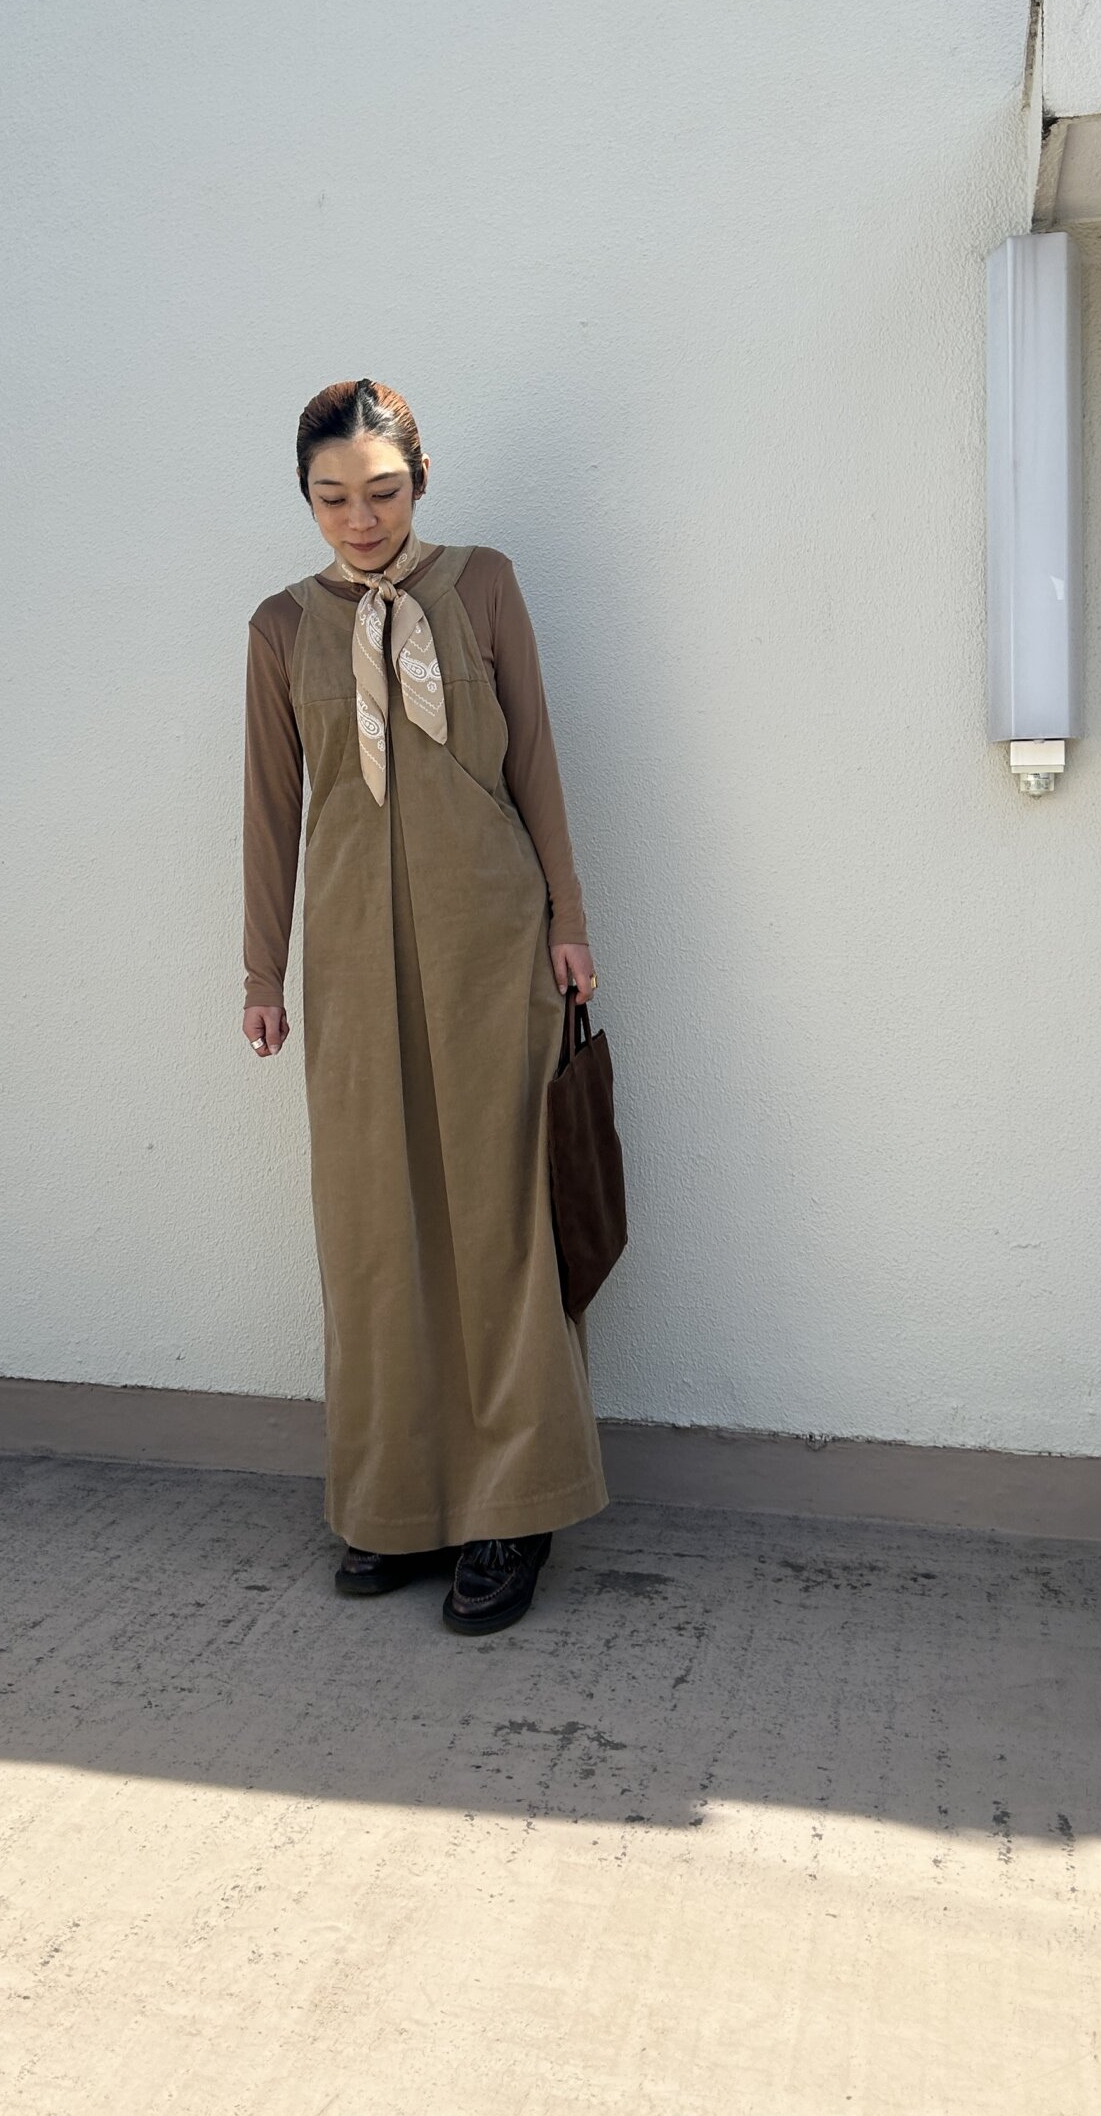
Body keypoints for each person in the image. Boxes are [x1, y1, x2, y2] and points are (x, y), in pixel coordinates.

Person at [242, 378, 608, 1635]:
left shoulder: (485, 586)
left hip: (490, 944)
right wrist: (262, 972)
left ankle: (516, 1504)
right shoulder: (280, 628)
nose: (361, 518)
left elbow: (537, 756)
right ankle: (394, 1500)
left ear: (421, 480)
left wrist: (567, 918)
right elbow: (269, 811)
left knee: (500, 1222)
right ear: (307, 499)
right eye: (333, 497)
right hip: (350, 961)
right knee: (372, 1228)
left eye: (383, 491)